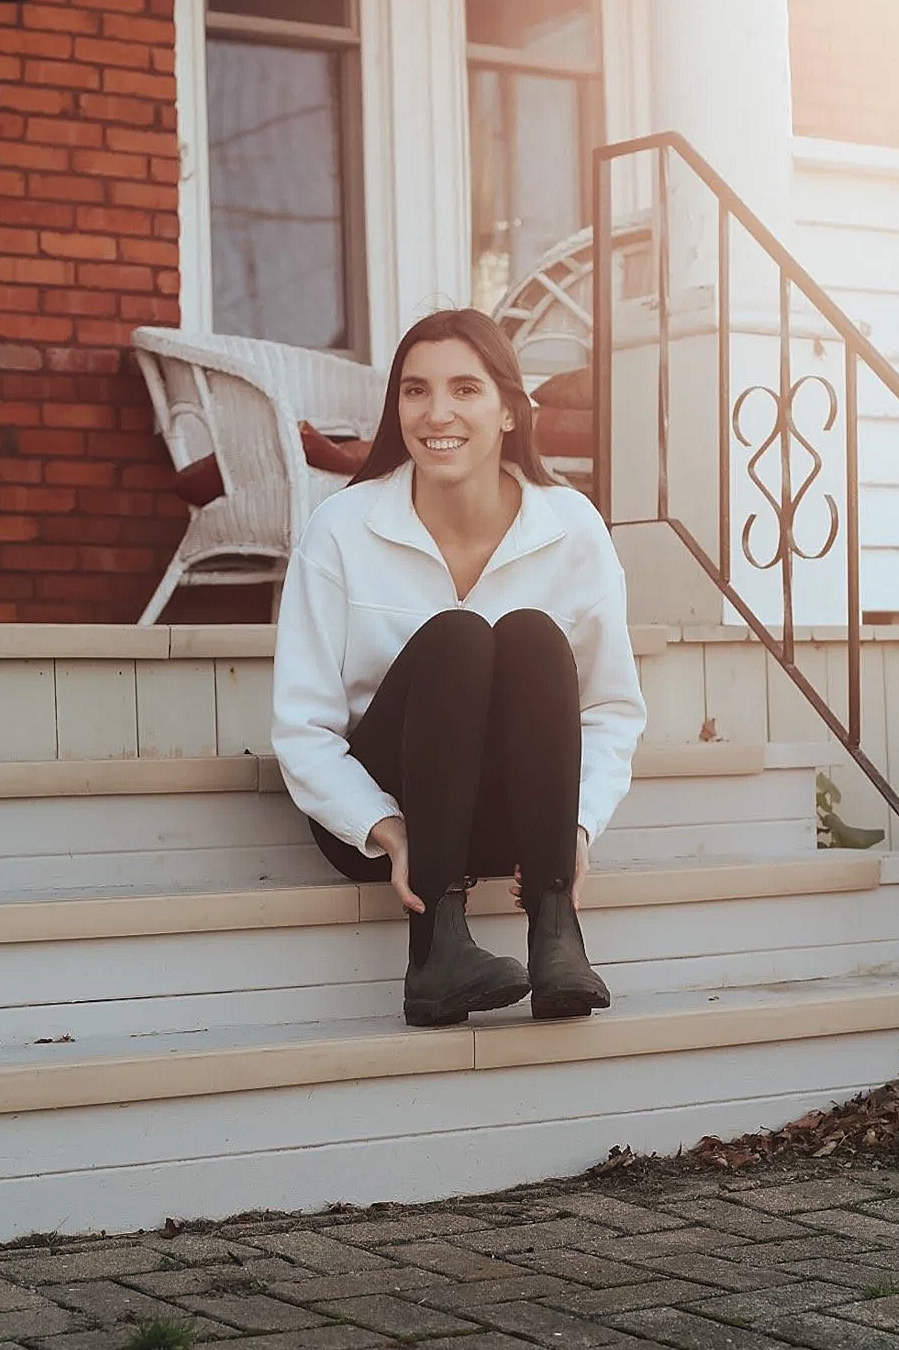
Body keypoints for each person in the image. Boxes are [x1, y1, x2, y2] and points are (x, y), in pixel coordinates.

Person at [272, 308, 646, 1028]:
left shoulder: (570, 526)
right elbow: (303, 727)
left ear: (509, 409)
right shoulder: (342, 529)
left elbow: (608, 709)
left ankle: (555, 930)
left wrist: (575, 830)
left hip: (512, 822)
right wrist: (387, 830)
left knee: (532, 637)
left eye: (464, 390)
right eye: (415, 391)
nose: (436, 412)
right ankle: (434, 956)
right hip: (386, 819)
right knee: (457, 638)